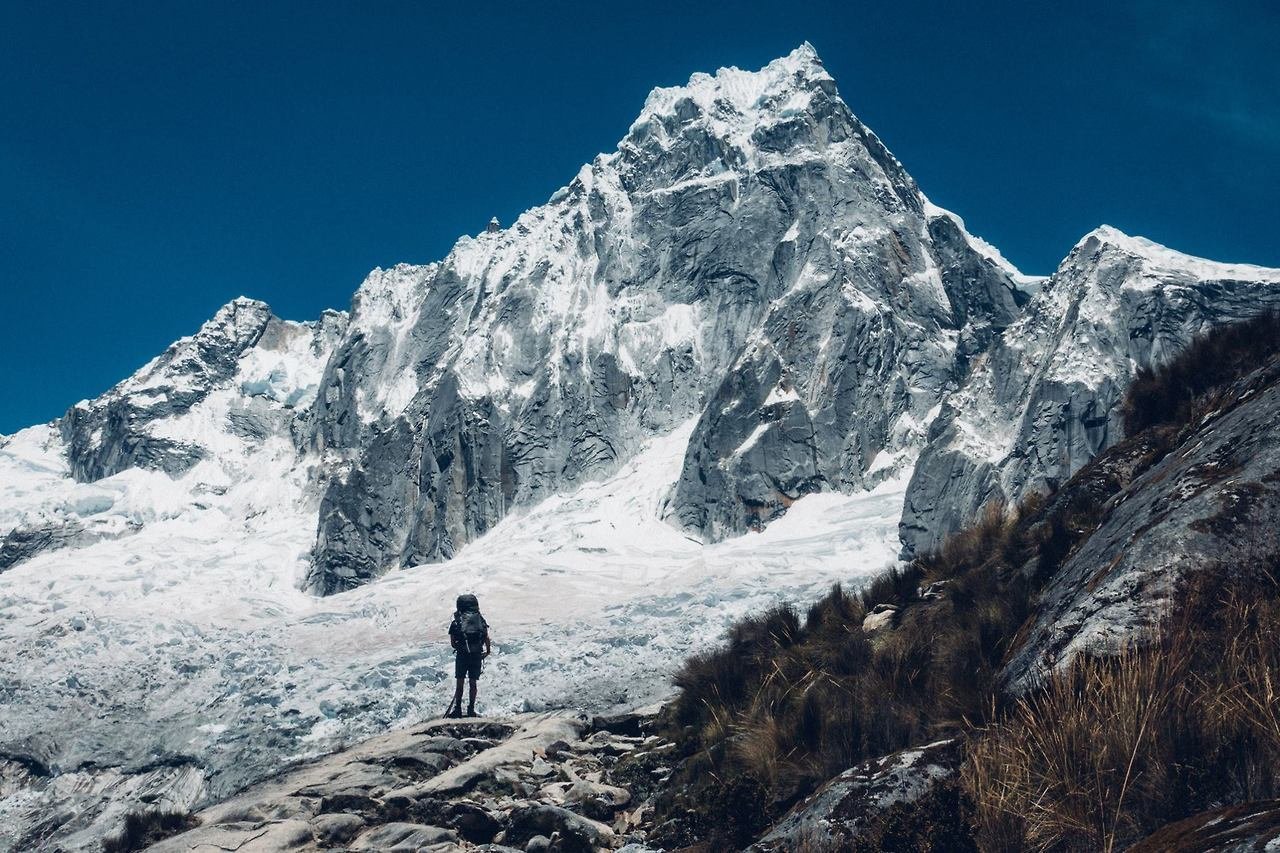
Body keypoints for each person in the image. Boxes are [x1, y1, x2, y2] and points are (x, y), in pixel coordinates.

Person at [446, 593, 491, 718]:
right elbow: (486, 637)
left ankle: (458, 709)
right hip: (476, 655)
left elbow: (453, 643)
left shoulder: (457, 622)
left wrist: (461, 647)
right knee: (473, 683)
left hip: (462, 656)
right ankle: (471, 709)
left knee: (460, 683)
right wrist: (487, 651)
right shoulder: (480, 620)